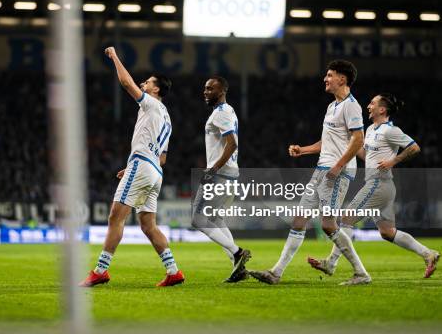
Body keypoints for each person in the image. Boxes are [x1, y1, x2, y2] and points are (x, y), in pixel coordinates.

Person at [250, 59, 371, 286]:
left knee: (328, 225)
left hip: (337, 172)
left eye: (330, 75)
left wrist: (338, 166)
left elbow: (358, 140)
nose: (325, 79)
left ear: (342, 79)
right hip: (322, 169)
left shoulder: (351, 106)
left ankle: (361, 273)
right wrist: (303, 150)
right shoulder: (332, 106)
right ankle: (276, 272)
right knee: (299, 220)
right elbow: (327, 141)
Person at [79, 46, 184, 287]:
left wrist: (114, 56)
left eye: (147, 82)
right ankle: (173, 271)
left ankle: (100, 271)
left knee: (115, 217)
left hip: (143, 166)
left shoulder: (152, 105)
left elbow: (127, 84)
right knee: (148, 225)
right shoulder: (166, 117)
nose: (143, 84)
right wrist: (135, 168)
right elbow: (163, 157)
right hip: (155, 171)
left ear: (156, 89)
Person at [308, 93, 439, 278]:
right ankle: (428, 254)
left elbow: (414, 147)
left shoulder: (390, 130)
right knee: (387, 232)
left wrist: (393, 161)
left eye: (372, 103)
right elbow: (365, 155)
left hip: (378, 183)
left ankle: (331, 263)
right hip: (383, 187)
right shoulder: (370, 130)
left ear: (382, 109)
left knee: (347, 217)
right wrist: (348, 145)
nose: (368, 106)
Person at [192, 76, 251, 283]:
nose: (206, 92)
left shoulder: (221, 113)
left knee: (198, 219)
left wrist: (213, 170)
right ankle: (238, 267)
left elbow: (232, 143)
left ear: (222, 91)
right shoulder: (229, 111)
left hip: (220, 175)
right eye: (205, 88)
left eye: (210, 88)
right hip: (230, 175)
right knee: (216, 220)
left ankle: (237, 252)